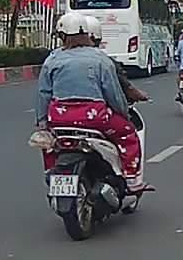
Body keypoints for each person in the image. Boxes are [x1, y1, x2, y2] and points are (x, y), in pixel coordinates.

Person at [36, 12, 144, 194]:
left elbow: (44, 93)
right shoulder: (101, 59)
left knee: (50, 143)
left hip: (59, 118)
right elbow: (113, 94)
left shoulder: (52, 60)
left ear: (62, 36)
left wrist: (42, 122)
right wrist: (123, 115)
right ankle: (131, 179)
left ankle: (51, 172)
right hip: (94, 117)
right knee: (128, 134)